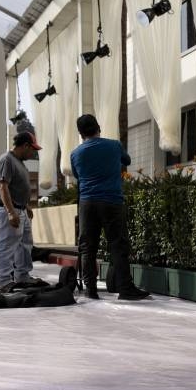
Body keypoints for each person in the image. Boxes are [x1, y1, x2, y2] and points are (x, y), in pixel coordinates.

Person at [71, 114, 150, 301]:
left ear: (81, 133)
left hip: (87, 203)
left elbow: (77, 175)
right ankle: (125, 288)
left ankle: (90, 290)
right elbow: (127, 160)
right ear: (98, 127)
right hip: (112, 202)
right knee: (118, 244)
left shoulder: (75, 154)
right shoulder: (114, 145)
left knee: (87, 247)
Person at [0, 131, 48, 293]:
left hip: (20, 209)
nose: (33, 153)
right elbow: (2, 186)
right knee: (7, 245)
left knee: (25, 244)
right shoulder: (6, 160)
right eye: (32, 149)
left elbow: (16, 187)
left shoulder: (18, 162)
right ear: (25, 146)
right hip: (10, 210)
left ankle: (22, 276)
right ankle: (4, 281)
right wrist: (11, 212)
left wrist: (25, 206)